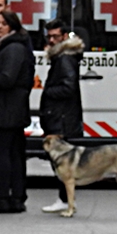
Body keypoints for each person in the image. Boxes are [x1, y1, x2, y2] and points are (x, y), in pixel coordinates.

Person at [0, 10, 35, 213]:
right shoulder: (9, 46)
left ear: (13, 26)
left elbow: (7, 78)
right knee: (13, 154)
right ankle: (15, 196)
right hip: (9, 110)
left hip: (4, 111)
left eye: (4, 23)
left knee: (3, 154)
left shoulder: (13, 48)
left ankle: (3, 197)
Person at [39, 19, 84, 213]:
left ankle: (64, 199)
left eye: (55, 36)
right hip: (62, 115)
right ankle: (64, 199)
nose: (51, 40)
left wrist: (48, 91)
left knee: (62, 161)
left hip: (61, 117)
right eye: (48, 36)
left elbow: (68, 86)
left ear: (64, 36)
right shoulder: (63, 55)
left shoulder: (64, 58)